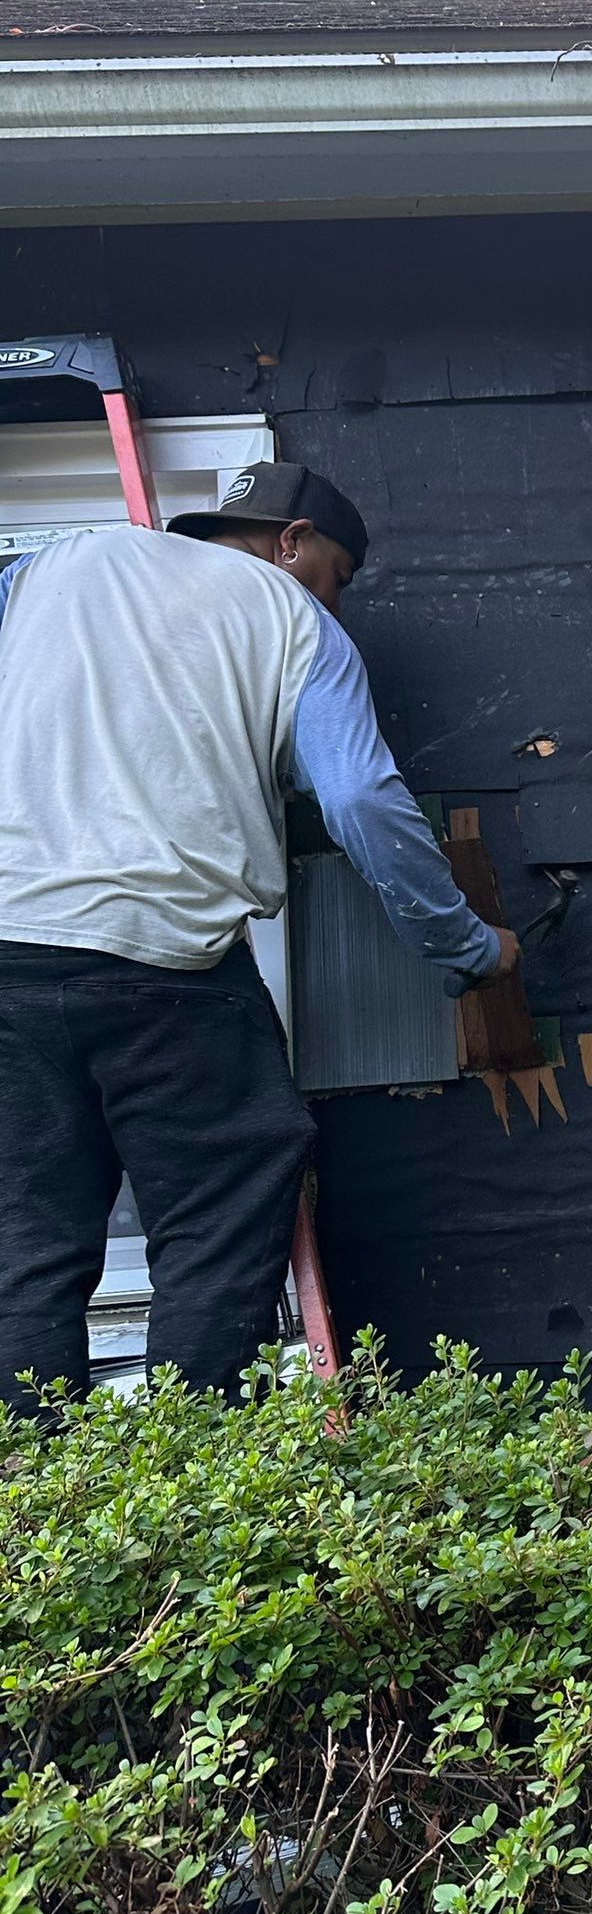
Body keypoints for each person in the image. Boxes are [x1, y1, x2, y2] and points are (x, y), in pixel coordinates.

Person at [0, 461, 515, 1411]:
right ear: (290, 541)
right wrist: (469, 947)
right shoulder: (291, 620)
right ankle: (193, 1503)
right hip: (165, 964)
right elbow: (360, 798)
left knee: (25, 1248)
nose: (337, 599)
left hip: (9, 953)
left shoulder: (49, 567)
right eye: (338, 574)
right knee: (216, 1224)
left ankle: (39, 1521)